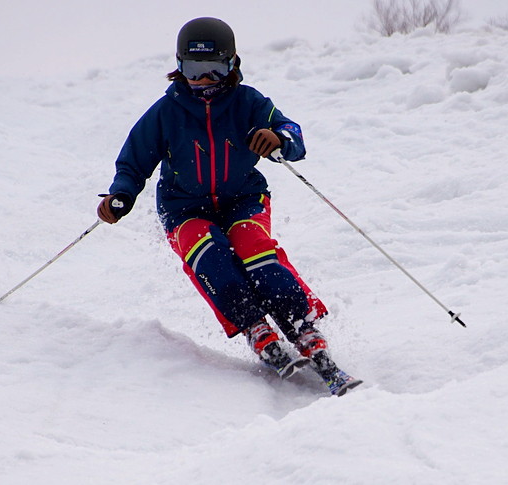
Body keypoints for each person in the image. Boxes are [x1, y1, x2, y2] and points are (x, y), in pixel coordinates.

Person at [97, 17, 361, 396]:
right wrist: (120, 194)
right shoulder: (166, 111)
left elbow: (294, 136)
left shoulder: (247, 102)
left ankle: (303, 328)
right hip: (184, 207)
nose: (202, 82)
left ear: (232, 65)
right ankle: (254, 326)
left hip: (243, 199)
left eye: (213, 70)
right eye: (192, 70)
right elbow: (133, 161)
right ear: (178, 67)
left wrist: (278, 138)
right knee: (210, 257)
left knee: (257, 253)